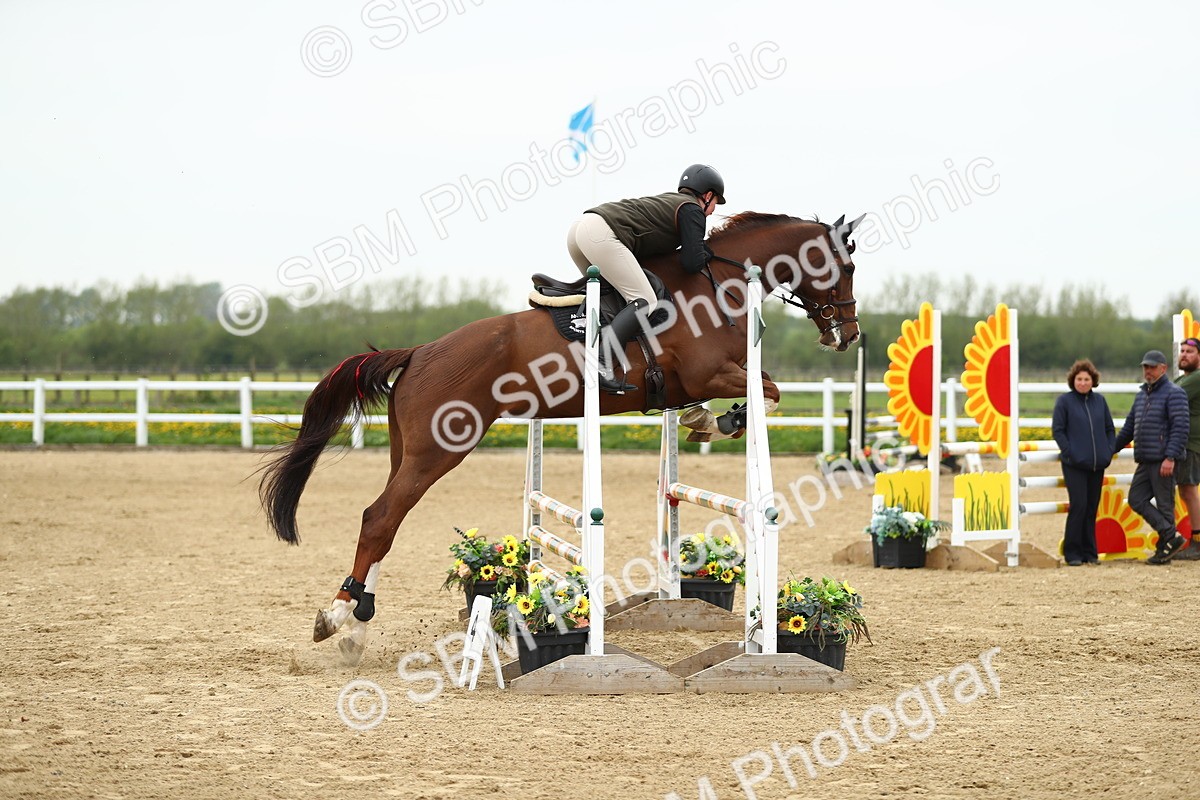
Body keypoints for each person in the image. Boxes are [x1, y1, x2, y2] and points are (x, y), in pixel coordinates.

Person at [565, 164, 725, 393]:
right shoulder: (692, 210)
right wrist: (708, 251)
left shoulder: (672, 203)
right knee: (645, 300)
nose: (711, 212)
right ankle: (600, 363)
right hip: (600, 233)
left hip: (580, 229)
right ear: (708, 196)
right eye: (715, 204)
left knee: (613, 296)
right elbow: (692, 262)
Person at [1113, 350, 1189, 564]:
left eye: (1152, 367)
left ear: (1163, 368)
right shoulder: (1142, 395)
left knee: (1165, 505)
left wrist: (1171, 457)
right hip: (1146, 459)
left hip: (1163, 459)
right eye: (1145, 367)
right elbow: (1129, 427)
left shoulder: (1175, 393)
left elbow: (1180, 427)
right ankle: (1170, 537)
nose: (1148, 370)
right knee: (1136, 499)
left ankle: (1164, 548)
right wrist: (1111, 449)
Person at [1052, 359, 1116, 566]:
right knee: (1078, 506)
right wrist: (1070, 453)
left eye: (1086, 379)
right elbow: (1058, 431)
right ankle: (1072, 553)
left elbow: (1109, 429)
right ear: (1073, 380)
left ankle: (1090, 552)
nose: (1082, 382)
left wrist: (1107, 452)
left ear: (1093, 380)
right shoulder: (1064, 402)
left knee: (1091, 508)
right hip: (1074, 465)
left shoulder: (1100, 401)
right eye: (1079, 379)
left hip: (1097, 464)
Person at [1174, 337, 1200, 560]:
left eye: (1189, 351)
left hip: (1191, 443)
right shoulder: (1185, 378)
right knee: (1186, 490)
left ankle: (1197, 541)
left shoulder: (1196, 378)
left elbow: (1169, 395)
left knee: (1189, 491)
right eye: (1182, 350)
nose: (1183, 354)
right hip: (1186, 443)